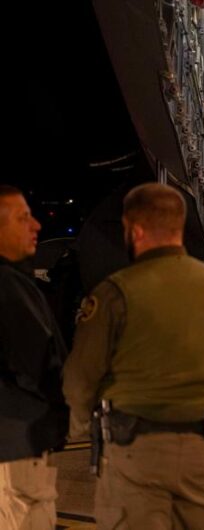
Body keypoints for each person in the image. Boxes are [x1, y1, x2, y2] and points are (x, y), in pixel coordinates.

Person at [64, 183, 204, 530]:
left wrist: (77, 426)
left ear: (134, 231)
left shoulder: (113, 294)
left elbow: (80, 378)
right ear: (178, 226)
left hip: (135, 452)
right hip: (202, 450)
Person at [0, 185, 68, 530]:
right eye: (22, 218)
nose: (36, 226)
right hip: (18, 444)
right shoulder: (8, 287)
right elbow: (40, 364)